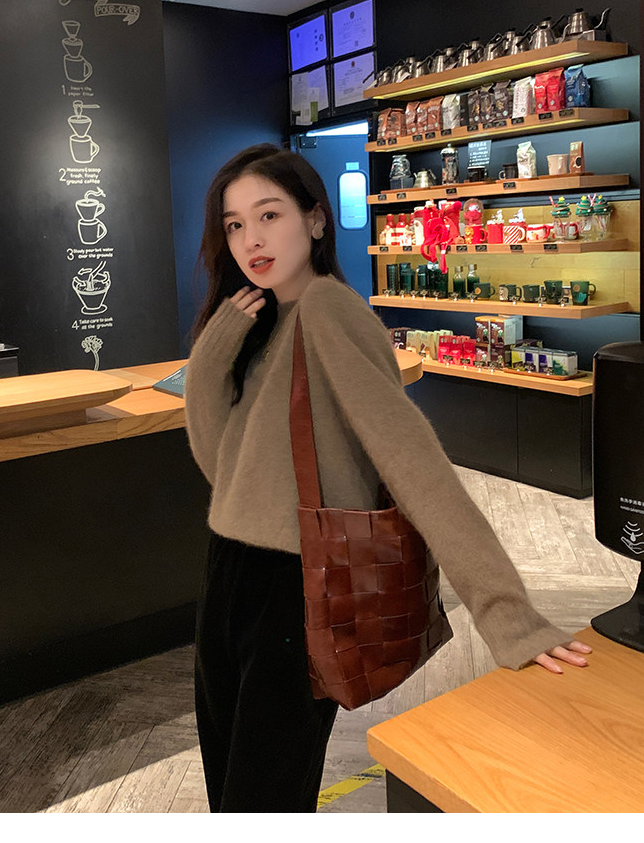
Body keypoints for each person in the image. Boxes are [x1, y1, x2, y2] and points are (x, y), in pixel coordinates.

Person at [184, 143, 592, 814]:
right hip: (228, 571)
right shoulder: (267, 324)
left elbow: (412, 460)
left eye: (269, 215)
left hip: (296, 584)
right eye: (234, 224)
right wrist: (215, 349)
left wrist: (505, 612)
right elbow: (220, 466)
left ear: (316, 219)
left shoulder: (328, 310)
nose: (251, 239)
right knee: (232, 787)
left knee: (261, 799)